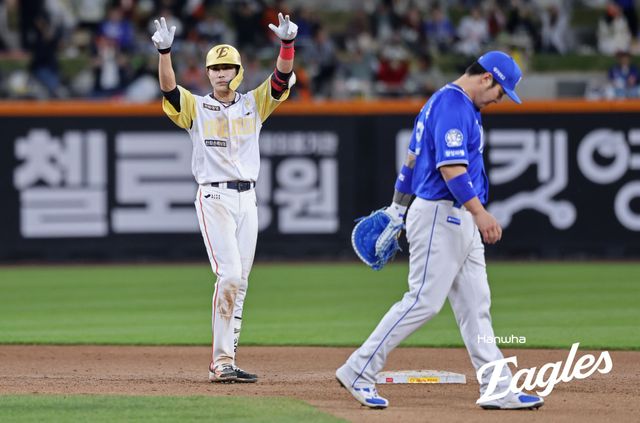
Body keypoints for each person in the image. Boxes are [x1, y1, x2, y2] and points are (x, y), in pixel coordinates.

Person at [336, 51, 545, 411]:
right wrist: (480, 213)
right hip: (442, 214)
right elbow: (451, 169)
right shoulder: (453, 105)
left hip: (456, 217)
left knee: (476, 306)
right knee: (423, 301)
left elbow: (411, 160)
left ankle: (498, 388)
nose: (499, 99)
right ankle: (359, 369)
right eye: (500, 92)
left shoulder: (444, 103)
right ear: (486, 78)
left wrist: (397, 207)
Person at [151, 12, 297, 383]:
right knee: (229, 275)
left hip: (248, 199)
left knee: (240, 282)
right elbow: (169, 91)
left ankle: (227, 359)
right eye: (214, 68)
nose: (220, 73)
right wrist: (165, 53)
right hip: (214, 196)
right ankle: (220, 361)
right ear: (207, 73)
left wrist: (287, 45)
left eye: (226, 67)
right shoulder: (197, 107)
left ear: (238, 71)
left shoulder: (254, 103)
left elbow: (281, 79)